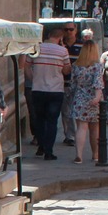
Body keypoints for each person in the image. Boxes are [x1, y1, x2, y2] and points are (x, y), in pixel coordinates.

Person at [28, 25, 70, 161]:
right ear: (60, 38)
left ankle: (41, 146)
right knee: (52, 121)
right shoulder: (62, 51)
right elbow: (66, 71)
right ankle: (48, 151)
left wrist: (33, 78)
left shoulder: (36, 48)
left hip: (38, 89)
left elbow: (26, 66)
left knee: (39, 120)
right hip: (55, 90)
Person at [68, 40, 104, 164]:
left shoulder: (76, 65)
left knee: (81, 128)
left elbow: (72, 85)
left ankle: (79, 155)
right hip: (93, 99)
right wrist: (97, 98)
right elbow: (98, 84)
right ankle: (95, 154)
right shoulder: (97, 66)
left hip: (79, 99)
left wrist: (71, 96)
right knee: (95, 128)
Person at [60, 22, 81, 146]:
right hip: (62, 82)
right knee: (65, 111)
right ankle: (69, 135)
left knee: (73, 111)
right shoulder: (60, 46)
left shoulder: (81, 45)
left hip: (77, 83)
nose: (69, 32)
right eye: (66, 29)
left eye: (71, 29)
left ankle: (73, 135)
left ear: (75, 30)